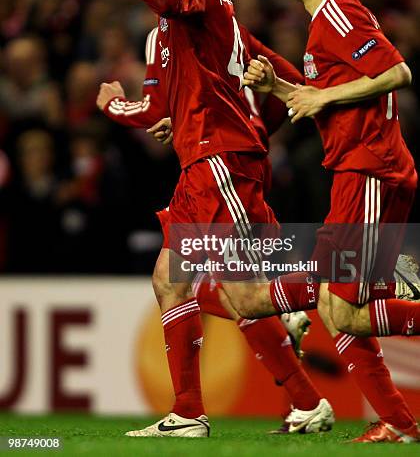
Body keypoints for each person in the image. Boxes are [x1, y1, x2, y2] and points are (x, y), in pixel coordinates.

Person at [98, 22, 335, 435]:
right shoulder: (230, 27)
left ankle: (355, 284)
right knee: (170, 280)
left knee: (242, 294)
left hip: (218, 165)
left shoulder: (170, 29)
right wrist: (251, 127)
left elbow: (152, 110)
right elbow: (291, 84)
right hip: (210, 164)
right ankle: (193, 412)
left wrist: (113, 104)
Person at [243, 0, 420, 443]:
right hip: (358, 171)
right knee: (335, 306)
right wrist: (280, 86)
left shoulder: (339, 10)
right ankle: (398, 423)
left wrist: (321, 96)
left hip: (371, 170)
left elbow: (397, 72)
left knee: (342, 310)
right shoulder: (323, 26)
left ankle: (398, 421)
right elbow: (323, 101)